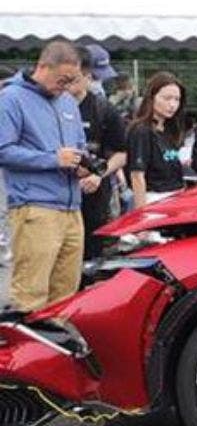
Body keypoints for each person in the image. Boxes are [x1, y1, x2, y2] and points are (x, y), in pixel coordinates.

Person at [0, 41, 88, 311]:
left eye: (71, 80)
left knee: (66, 296)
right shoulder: (12, 99)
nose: (66, 85)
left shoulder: (68, 102)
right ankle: (25, 352)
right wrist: (53, 159)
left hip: (72, 209)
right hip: (35, 208)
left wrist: (83, 164)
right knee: (31, 293)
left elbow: (80, 145)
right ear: (42, 66)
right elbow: (3, 150)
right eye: (62, 79)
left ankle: (56, 351)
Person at [68, 46, 127, 260]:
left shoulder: (104, 110)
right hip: (56, 200)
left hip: (93, 202)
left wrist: (98, 174)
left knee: (90, 260)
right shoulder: (49, 106)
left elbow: (121, 154)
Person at [126, 72, 187, 208]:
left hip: (176, 196)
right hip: (153, 198)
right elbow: (137, 175)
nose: (172, 104)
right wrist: (142, 214)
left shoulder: (171, 129)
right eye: (167, 98)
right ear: (152, 97)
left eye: (177, 99)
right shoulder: (141, 131)